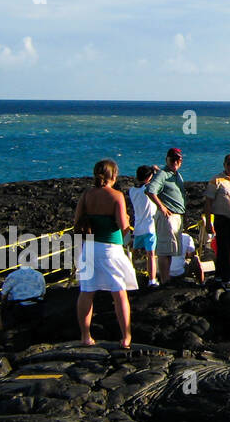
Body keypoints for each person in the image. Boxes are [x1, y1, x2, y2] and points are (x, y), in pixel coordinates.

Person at [75, 159, 137, 348]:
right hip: (110, 248)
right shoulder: (116, 195)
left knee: (87, 291)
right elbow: (123, 226)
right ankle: (126, 337)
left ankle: (85, 336)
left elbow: (77, 221)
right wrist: (127, 219)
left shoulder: (86, 194)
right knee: (119, 293)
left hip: (90, 247)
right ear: (114, 175)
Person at [145, 148, 188, 285]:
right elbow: (150, 190)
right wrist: (161, 207)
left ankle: (166, 278)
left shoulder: (174, 174)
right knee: (164, 250)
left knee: (170, 250)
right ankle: (164, 280)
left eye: (178, 159)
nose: (175, 162)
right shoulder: (163, 174)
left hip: (176, 216)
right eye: (172, 159)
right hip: (168, 216)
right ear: (167, 159)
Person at [202, 154, 230, 290]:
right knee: (224, 249)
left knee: (225, 250)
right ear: (224, 165)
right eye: (229, 164)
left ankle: (219, 276)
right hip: (222, 219)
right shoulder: (216, 180)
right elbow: (208, 202)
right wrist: (209, 222)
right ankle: (226, 280)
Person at [126, 165, 159, 287]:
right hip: (150, 227)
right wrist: (157, 171)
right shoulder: (148, 189)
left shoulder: (132, 191)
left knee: (134, 253)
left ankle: (131, 275)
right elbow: (161, 181)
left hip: (138, 226)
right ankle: (152, 280)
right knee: (150, 254)